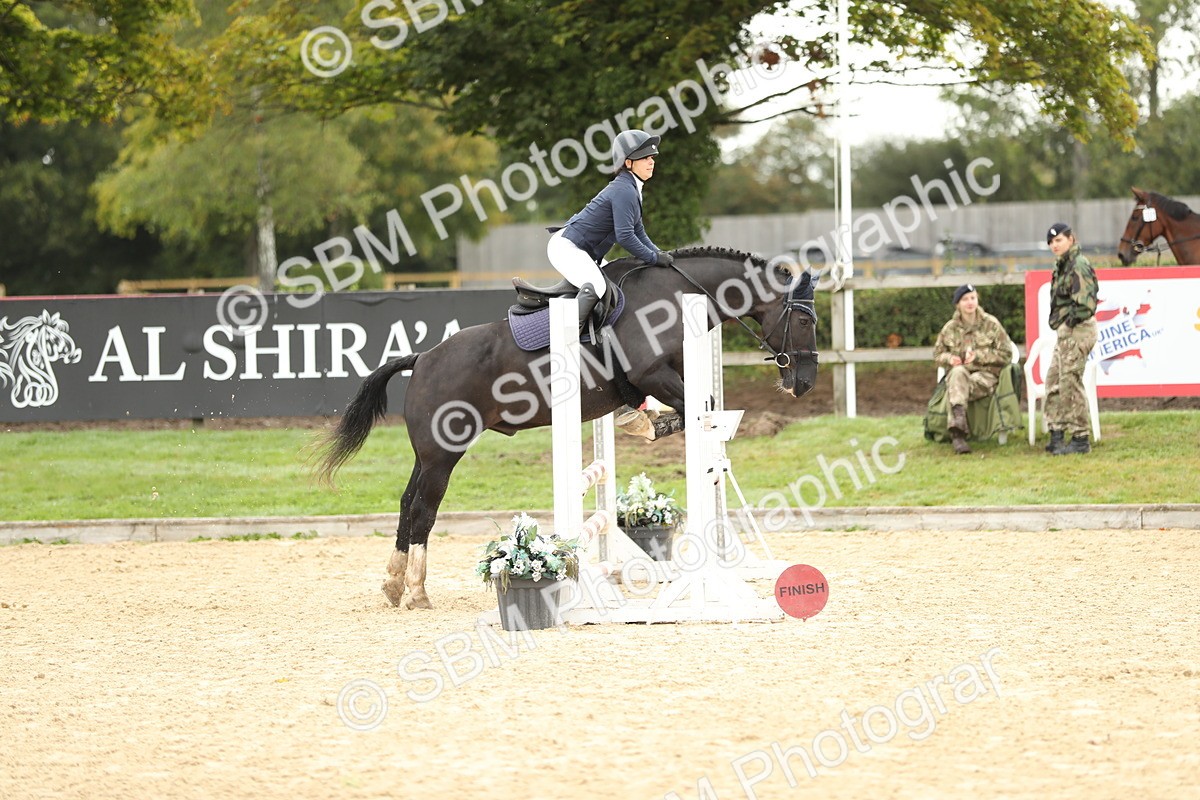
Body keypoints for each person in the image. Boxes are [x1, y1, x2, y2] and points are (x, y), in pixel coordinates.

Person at [547, 129, 674, 333]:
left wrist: (660, 253)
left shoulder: (631, 188)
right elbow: (625, 236)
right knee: (598, 286)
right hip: (566, 248)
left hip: (580, 250)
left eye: (652, 157)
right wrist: (653, 258)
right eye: (644, 157)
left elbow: (639, 231)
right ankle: (566, 337)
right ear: (628, 163)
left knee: (615, 282)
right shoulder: (625, 190)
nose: (651, 161)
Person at [932, 283, 1014, 455]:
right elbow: (938, 354)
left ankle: (957, 434)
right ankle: (959, 427)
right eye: (965, 299)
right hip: (959, 375)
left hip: (986, 376)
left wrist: (978, 356)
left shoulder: (991, 324)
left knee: (957, 385)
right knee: (957, 373)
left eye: (973, 298)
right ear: (957, 304)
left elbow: (1007, 354)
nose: (970, 302)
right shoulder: (950, 328)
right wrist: (950, 358)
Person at [1043, 222, 1099, 455]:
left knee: (1070, 381)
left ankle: (1080, 438)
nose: (1054, 245)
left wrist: (1068, 323)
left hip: (1078, 329)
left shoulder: (1078, 264)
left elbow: (1086, 305)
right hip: (1066, 331)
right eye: (1051, 242)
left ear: (1071, 239)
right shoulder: (1062, 265)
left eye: (1059, 240)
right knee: (1053, 380)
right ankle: (1056, 432)